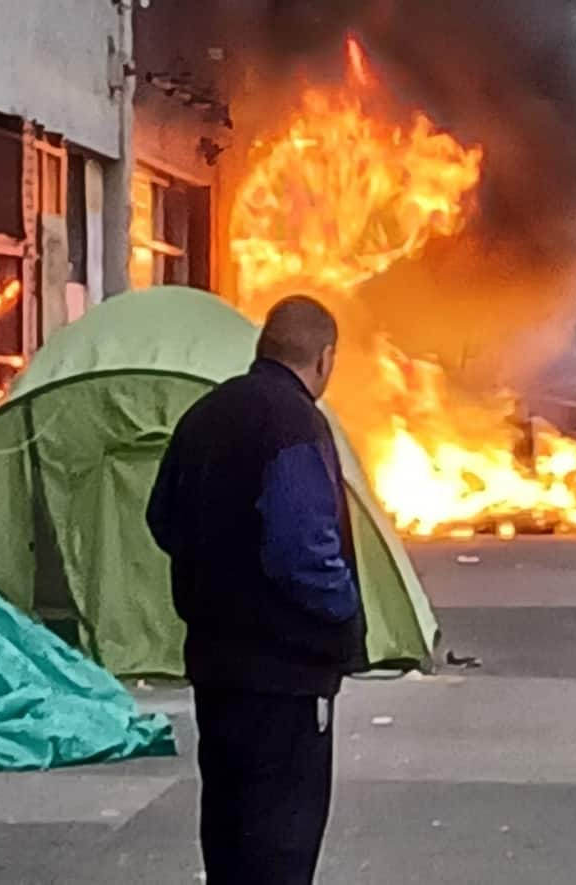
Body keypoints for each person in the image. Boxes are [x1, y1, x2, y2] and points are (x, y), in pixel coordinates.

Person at [146, 295, 366, 885]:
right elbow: (301, 549)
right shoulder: (295, 424)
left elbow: (161, 518)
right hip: (286, 677)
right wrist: (343, 614)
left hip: (216, 666)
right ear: (324, 358)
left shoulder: (206, 413)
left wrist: (213, 572)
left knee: (229, 825)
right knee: (280, 840)